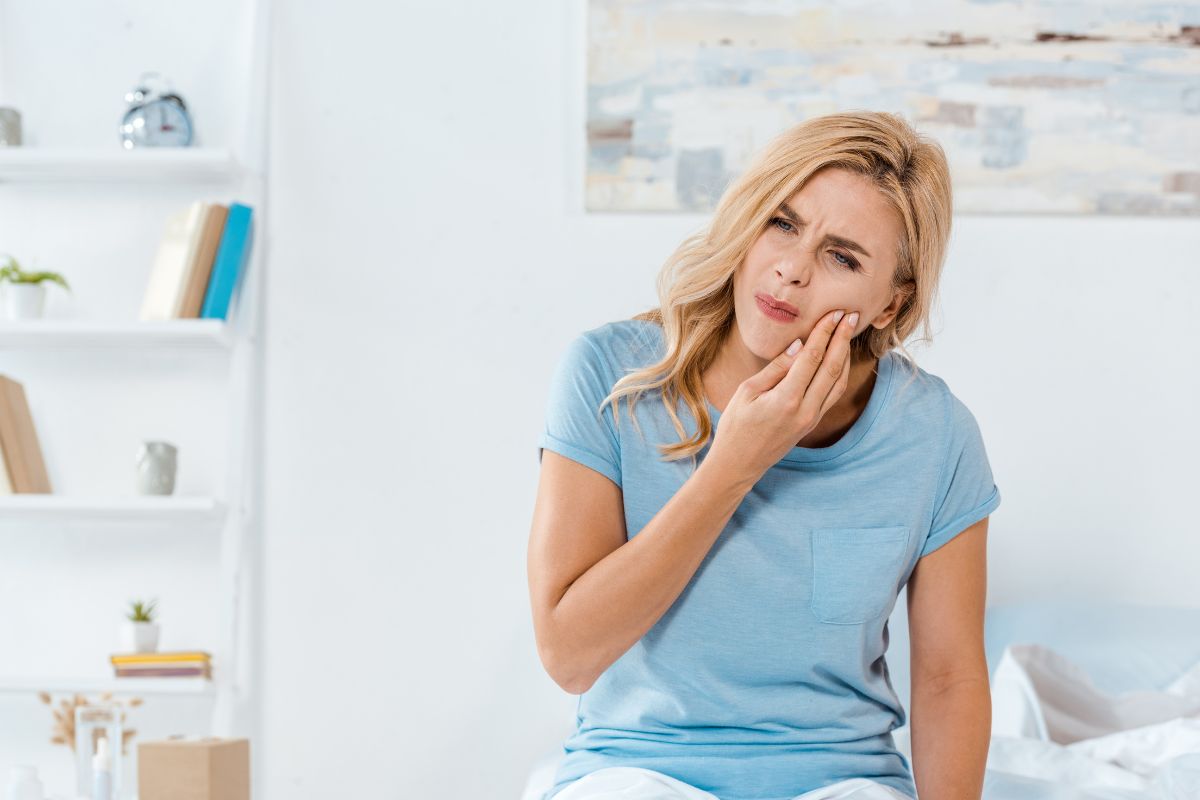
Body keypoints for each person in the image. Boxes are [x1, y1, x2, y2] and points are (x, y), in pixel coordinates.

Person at [528, 110, 1000, 800]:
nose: (791, 269)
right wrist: (735, 464)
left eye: (842, 257)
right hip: (636, 769)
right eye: (782, 223)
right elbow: (568, 656)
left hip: (843, 780)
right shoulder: (610, 375)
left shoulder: (935, 433)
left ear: (890, 305)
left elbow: (948, 677)